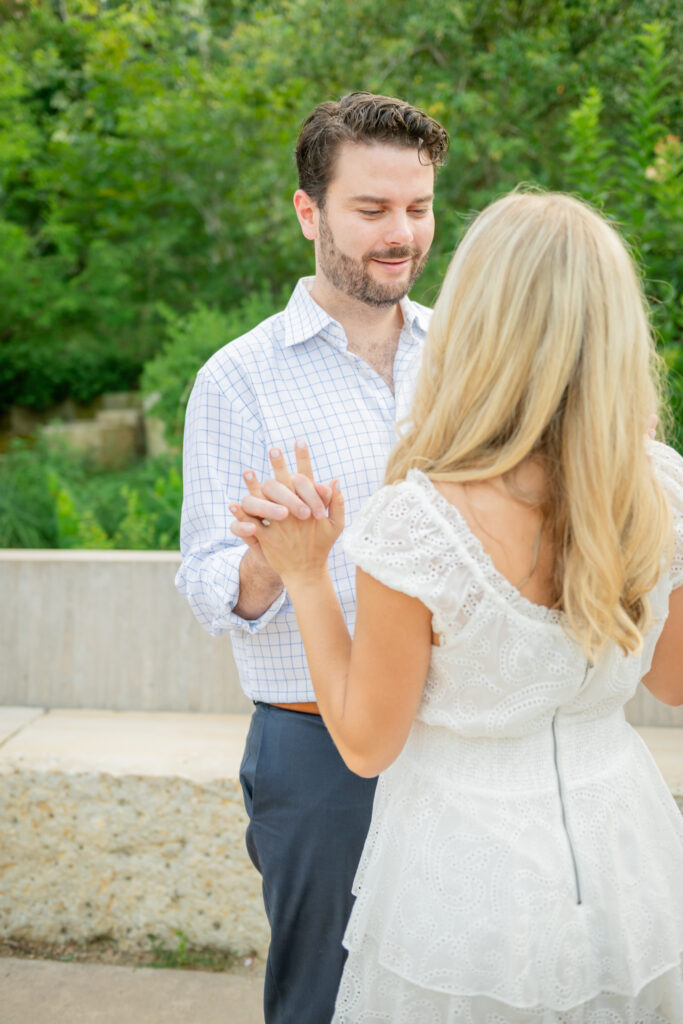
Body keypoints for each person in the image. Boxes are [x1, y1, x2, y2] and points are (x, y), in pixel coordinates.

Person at [230, 191, 683, 1022]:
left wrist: (304, 573)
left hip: (465, 876)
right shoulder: (659, 484)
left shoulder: (419, 521)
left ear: (475, 322)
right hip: (627, 854)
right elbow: (673, 680)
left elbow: (367, 745)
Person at [175, 92, 449, 1023]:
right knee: (321, 1002)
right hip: (317, 748)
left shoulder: (470, 354)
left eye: (416, 208)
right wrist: (275, 559)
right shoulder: (236, 379)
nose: (400, 234)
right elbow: (209, 582)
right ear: (309, 213)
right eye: (371, 210)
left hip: (465, 732)